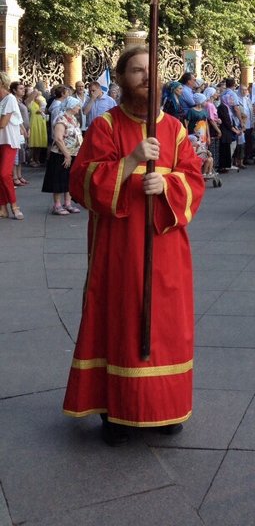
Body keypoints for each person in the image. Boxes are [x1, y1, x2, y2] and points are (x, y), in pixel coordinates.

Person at [63, 46, 204, 446]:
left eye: (151, 71)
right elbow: (82, 181)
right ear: (122, 78)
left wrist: (169, 185)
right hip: (119, 248)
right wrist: (131, 161)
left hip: (165, 246)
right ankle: (117, 410)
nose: (146, 77)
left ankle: (166, 407)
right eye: (137, 71)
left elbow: (192, 179)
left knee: (167, 324)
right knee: (122, 320)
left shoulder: (175, 129)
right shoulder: (105, 126)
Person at [42, 96, 82, 215]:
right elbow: (58, 139)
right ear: (71, 106)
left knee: (69, 179)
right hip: (61, 154)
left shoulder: (73, 119)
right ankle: (57, 205)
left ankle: (68, 203)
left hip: (73, 153)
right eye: (77, 106)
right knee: (59, 179)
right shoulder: (61, 119)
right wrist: (67, 155)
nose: (79, 108)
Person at [0, 72, 24, 219]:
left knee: (4, 174)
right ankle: (3, 208)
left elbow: (3, 123)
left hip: (9, 141)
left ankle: (14, 206)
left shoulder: (9, 99)